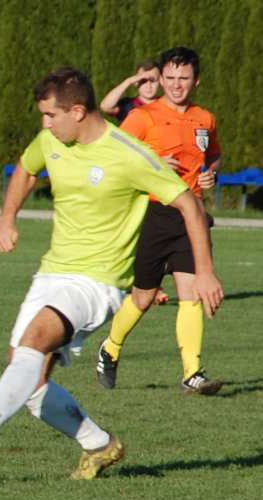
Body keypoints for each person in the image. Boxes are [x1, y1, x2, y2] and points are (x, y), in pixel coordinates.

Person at [0, 67, 223, 479]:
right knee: (28, 378)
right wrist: (6, 219)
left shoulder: (128, 154)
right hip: (51, 274)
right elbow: (26, 167)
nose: (44, 124)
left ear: (77, 111)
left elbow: (189, 204)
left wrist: (205, 271)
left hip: (98, 283)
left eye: (50, 116)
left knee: (35, 342)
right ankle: (99, 444)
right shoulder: (51, 140)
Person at [96, 47, 223, 395]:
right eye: (170, 78)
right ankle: (111, 347)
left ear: (196, 80)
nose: (177, 85)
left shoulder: (205, 118)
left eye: (184, 78)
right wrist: (151, 164)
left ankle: (192, 373)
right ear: (160, 79)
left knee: (191, 291)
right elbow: (114, 158)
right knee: (143, 297)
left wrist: (211, 174)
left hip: (191, 214)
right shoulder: (142, 117)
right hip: (152, 214)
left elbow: (213, 156)